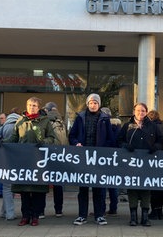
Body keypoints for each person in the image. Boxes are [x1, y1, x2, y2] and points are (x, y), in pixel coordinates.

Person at [5, 97, 56, 227]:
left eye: (34, 105)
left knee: (38, 190)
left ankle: (35, 216)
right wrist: (4, 144)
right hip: (24, 161)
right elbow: (14, 138)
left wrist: (44, 142)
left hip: (39, 161)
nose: (31, 107)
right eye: (29, 105)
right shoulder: (20, 121)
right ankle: (25, 216)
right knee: (24, 191)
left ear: (38, 107)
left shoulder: (45, 122)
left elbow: (52, 138)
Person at [68, 93, 114, 226]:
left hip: (99, 160)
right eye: (91, 103)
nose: (93, 105)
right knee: (83, 189)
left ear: (99, 105)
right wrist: (76, 143)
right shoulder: (80, 118)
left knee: (98, 189)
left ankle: (99, 215)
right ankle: (82, 215)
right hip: (83, 159)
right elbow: (72, 136)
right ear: (87, 104)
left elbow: (111, 139)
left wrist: (102, 149)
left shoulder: (105, 119)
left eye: (95, 103)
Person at [117, 102, 163, 226]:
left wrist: (155, 147)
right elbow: (119, 141)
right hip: (131, 163)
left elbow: (160, 141)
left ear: (146, 112)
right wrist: (126, 146)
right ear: (134, 112)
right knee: (132, 189)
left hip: (147, 162)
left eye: (143, 110)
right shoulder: (127, 126)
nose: (140, 113)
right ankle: (133, 217)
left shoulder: (153, 126)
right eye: (138, 110)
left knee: (145, 189)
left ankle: (145, 216)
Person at [0, 109, 20, 220]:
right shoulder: (20, 127)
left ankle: (5, 212)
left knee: (7, 186)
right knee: (10, 187)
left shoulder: (3, 128)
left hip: (4, 160)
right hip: (17, 160)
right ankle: (9, 214)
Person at [44, 102, 67, 218]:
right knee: (58, 185)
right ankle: (59, 210)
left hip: (47, 155)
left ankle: (40, 211)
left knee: (43, 184)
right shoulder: (62, 122)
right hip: (60, 157)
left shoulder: (45, 120)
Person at [100, 107, 121, 216]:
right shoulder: (118, 126)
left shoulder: (103, 124)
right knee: (113, 185)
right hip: (115, 159)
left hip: (102, 158)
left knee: (102, 185)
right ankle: (113, 208)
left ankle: (101, 209)